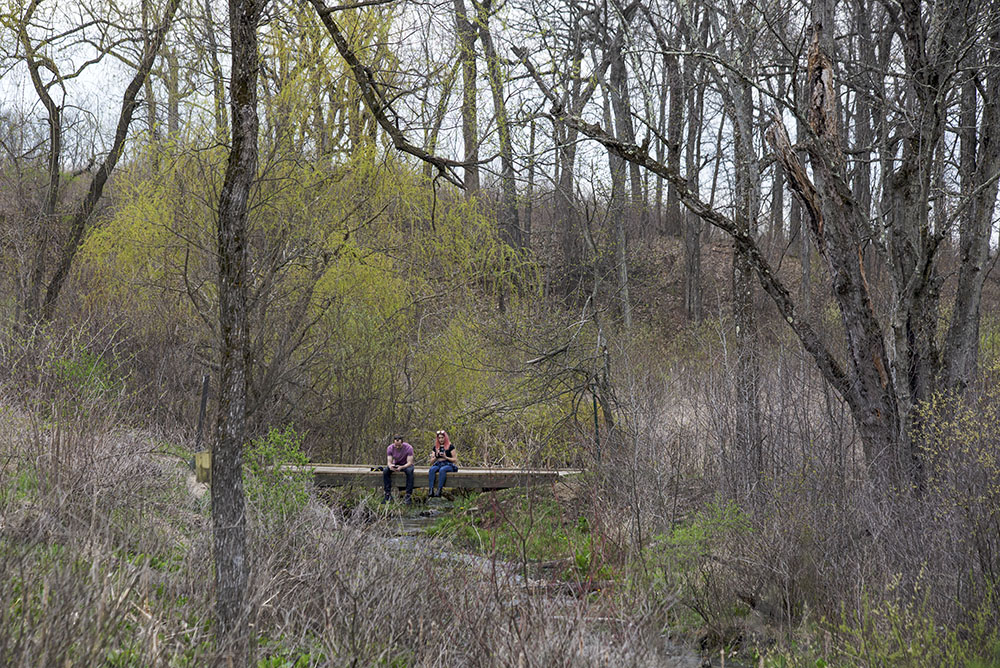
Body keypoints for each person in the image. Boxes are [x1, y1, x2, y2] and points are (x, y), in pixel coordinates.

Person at [383, 434, 414, 504]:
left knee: (409, 471)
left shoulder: (409, 448)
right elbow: (389, 461)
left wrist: (402, 467)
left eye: (399, 445)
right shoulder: (390, 448)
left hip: (406, 465)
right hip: (396, 464)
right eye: (396, 445)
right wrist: (391, 466)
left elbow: (410, 462)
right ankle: (387, 494)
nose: (397, 447)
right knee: (386, 471)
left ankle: (408, 495)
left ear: (402, 443)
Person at [427, 429, 458, 497]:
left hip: (448, 464)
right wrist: (436, 456)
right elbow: (431, 462)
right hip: (438, 463)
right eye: (439, 438)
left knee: (442, 470)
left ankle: (439, 490)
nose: (441, 439)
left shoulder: (450, 447)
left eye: (442, 438)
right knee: (432, 470)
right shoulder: (435, 447)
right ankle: (431, 490)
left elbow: (455, 460)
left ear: (445, 438)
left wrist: (445, 457)